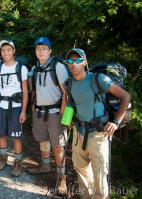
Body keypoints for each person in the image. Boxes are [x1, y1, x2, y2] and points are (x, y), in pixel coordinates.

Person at [65, 48, 130, 198]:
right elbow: (74, 103)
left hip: (99, 135)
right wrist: (70, 120)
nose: (73, 64)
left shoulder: (98, 79)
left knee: (99, 176)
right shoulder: (69, 83)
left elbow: (125, 96)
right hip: (78, 132)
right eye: (70, 61)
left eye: (78, 60)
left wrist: (115, 122)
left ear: (85, 62)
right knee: (81, 172)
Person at [27, 37, 68, 195]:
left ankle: (61, 177)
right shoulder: (35, 67)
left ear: (50, 51)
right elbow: (34, 90)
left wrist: (64, 115)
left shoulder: (58, 67)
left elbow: (66, 93)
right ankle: (45, 166)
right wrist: (32, 109)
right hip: (39, 111)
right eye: (38, 49)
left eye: (44, 48)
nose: (41, 51)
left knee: (58, 145)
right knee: (43, 141)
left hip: (55, 112)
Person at [0, 40, 28, 177]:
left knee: (16, 137)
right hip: (0, 106)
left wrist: (23, 111)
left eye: (8, 50)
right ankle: (3, 158)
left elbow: (25, 91)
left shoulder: (21, 68)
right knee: (1, 135)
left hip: (16, 107)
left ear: (14, 51)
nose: (6, 53)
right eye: (3, 50)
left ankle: (17, 163)